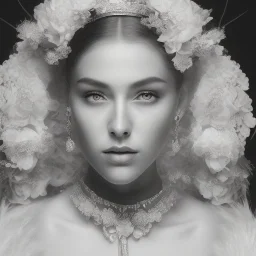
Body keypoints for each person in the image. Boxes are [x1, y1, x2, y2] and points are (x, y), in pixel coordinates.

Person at [0, 0, 256, 255]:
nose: (119, 126)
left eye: (146, 95)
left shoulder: (228, 239)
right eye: (95, 95)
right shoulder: (19, 236)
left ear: (180, 104)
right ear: (67, 102)